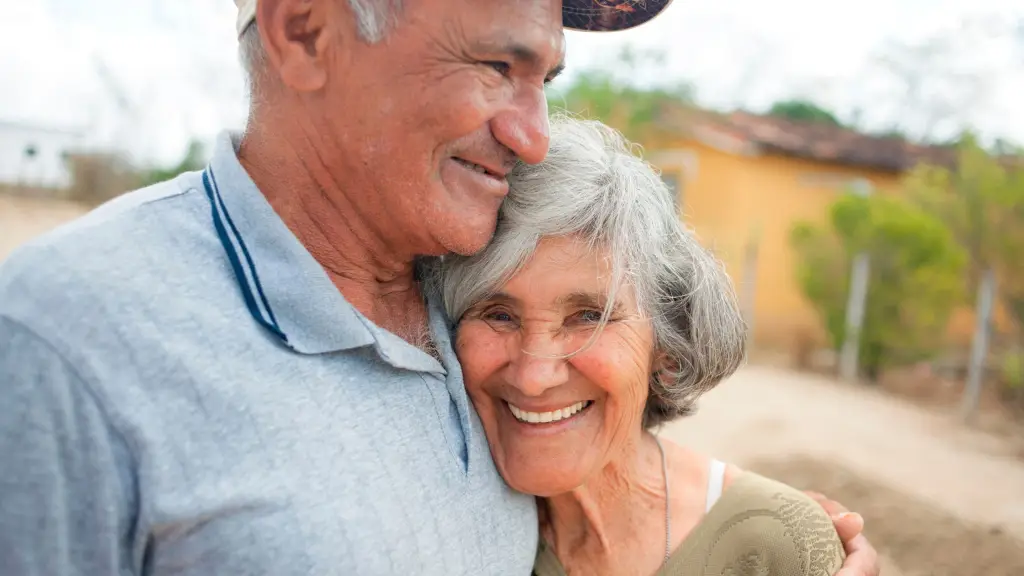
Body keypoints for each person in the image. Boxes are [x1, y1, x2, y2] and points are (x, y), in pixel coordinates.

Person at [0, 0, 877, 574]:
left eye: (545, 82)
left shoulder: (459, 291)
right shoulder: (63, 342)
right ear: (304, 29)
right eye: (499, 67)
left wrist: (781, 539)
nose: (533, 135)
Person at [430, 116, 853, 575]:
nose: (534, 377)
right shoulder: (456, 532)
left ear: (666, 345)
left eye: (588, 317)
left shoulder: (776, 547)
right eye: (498, 314)